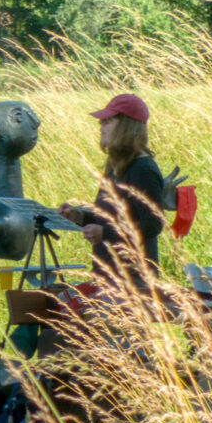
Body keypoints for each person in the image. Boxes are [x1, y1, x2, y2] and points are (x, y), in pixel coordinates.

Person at [57, 94, 166, 291]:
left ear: (126, 126)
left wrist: (104, 233)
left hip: (134, 281)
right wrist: (80, 216)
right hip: (109, 277)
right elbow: (107, 217)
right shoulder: (115, 167)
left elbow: (153, 224)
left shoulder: (143, 168)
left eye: (107, 121)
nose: (101, 126)